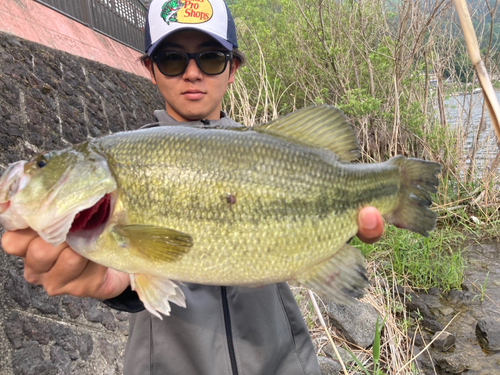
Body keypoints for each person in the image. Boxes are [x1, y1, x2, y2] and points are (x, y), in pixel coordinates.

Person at [1, 0, 384, 373]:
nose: (192, 73)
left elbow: (302, 233)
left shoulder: (273, 152)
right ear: (151, 70)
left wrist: (335, 230)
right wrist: (121, 286)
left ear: (232, 69)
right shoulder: (126, 156)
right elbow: (138, 276)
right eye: (172, 59)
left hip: (282, 363)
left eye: (211, 58)